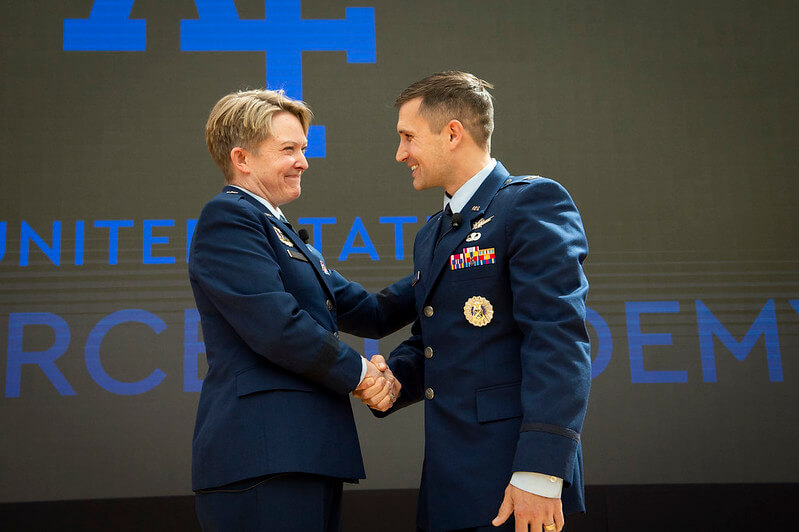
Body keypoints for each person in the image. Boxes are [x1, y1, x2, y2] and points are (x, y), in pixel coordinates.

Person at [356, 71, 591, 532]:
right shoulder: (432, 233)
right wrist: (394, 381)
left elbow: (557, 342)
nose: (400, 153)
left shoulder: (530, 204)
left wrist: (541, 474)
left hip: (514, 481)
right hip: (447, 482)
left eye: (408, 137)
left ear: (452, 134)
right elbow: (434, 340)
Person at [188, 89, 410, 531]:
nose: (303, 161)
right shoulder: (228, 218)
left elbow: (371, 312)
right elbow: (276, 327)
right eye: (288, 149)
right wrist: (365, 376)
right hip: (262, 457)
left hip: (305, 453)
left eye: (303, 149)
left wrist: (444, 271)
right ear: (242, 159)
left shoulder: (278, 228)